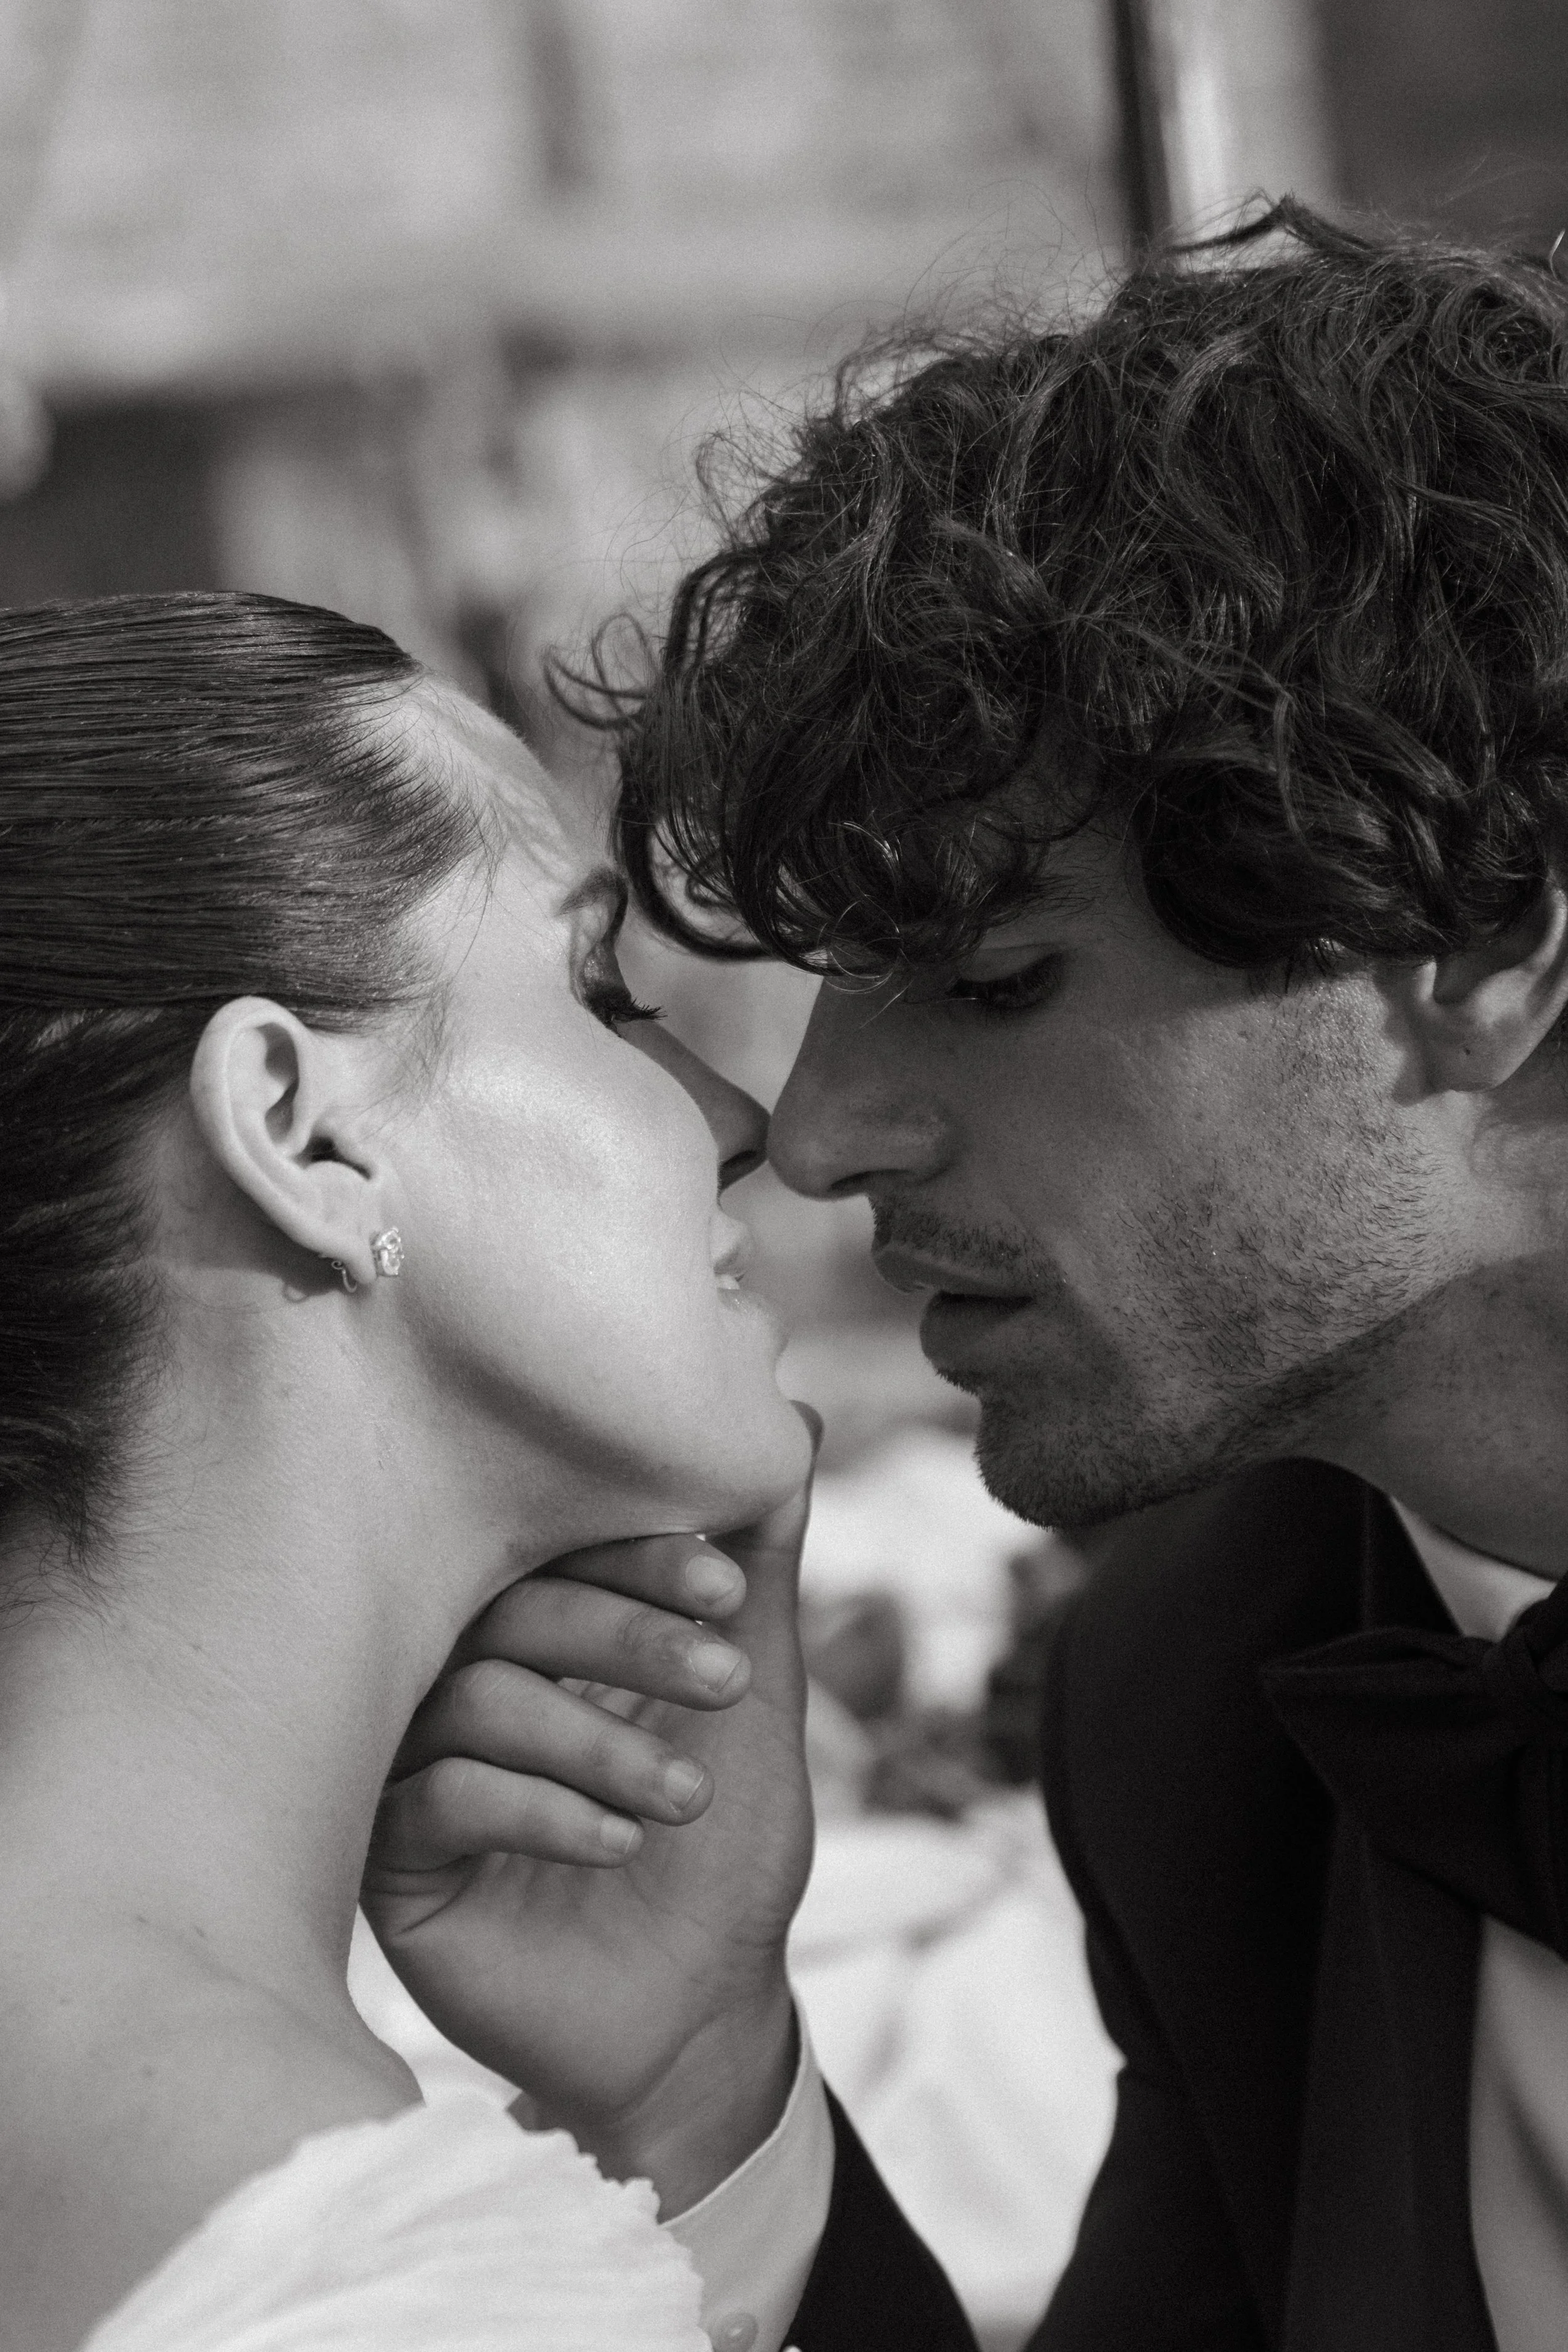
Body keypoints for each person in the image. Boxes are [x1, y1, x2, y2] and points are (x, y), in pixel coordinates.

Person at [404, 203, 1568, 2352]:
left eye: (990, 976)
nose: (818, 1129)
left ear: (1485, 941)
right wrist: (699, 2088)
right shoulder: (1213, 1688)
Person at [0, 588, 957, 2352]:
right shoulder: (405, 2290)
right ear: (301, 1131)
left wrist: (695, 2090)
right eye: (599, 989)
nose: (745, 1122)